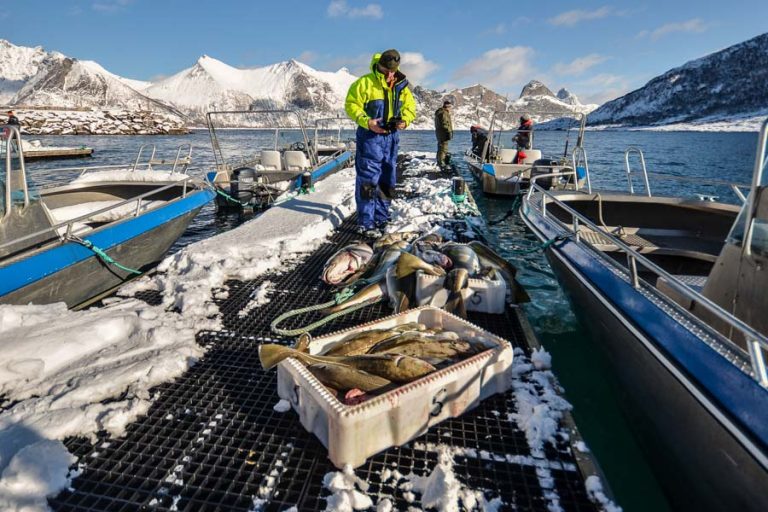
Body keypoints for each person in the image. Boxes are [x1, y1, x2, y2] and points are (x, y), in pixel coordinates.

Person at [345, 49, 416, 238]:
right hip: (370, 137)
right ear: (380, 66)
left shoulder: (402, 86)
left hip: (391, 139)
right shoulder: (364, 83)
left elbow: (410, 108)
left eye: (393, 70)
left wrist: (405, 120)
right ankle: (366, 222)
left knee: (387, 178)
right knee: (368, 179)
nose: (390, 74)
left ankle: (382, 217)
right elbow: (351, 105)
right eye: (386, 70)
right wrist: (367, 122)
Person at [434, 98, 453, 169]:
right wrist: (448, 131)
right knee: (443, 148)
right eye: (450, 107)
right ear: (448, 106)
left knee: (440, 147)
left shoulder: (440, 112)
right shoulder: (444, 113)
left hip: (440, 133)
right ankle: (441, 163)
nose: (450, 108)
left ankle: (439, 161)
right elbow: (444, 123)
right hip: (443, 133)